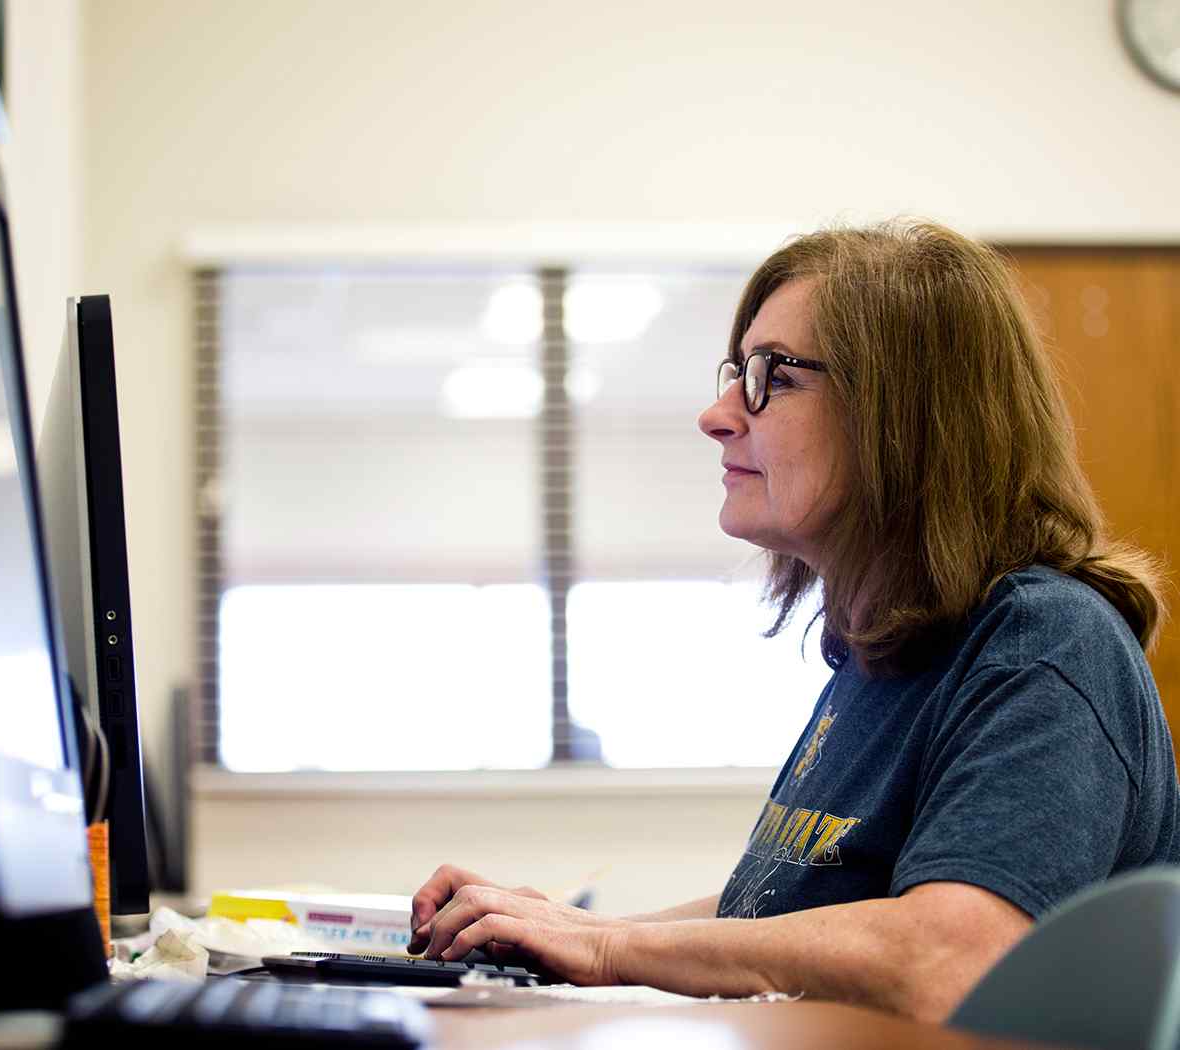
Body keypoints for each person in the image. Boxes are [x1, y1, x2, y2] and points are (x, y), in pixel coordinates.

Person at [408, 220, 1180, 1022]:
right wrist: (566, 932)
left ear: (905, 416)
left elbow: (949, 954)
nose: (717, 414)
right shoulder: (891, 651)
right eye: (736, 371)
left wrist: (608, 950)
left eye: (772, 375)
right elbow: (790, 910)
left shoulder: (1041, 645)